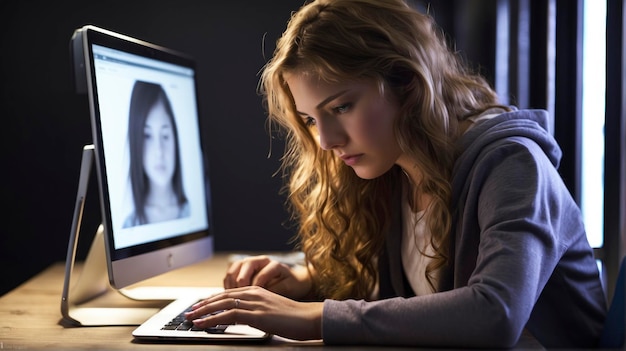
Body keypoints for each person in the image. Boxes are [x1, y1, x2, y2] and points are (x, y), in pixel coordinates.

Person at [184, 0, 607, 347]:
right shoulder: (392, 168)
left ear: (407, 82)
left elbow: (495, 313)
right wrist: (305, 283)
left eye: (341, 107)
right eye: (310, 120)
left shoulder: (512, 163)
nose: (327, 140)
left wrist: (315, 318)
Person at [123, 80, 189, 227]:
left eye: (165, 136)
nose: (159, 151)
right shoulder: (130, 226)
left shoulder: (192, 212)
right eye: (147, 136)